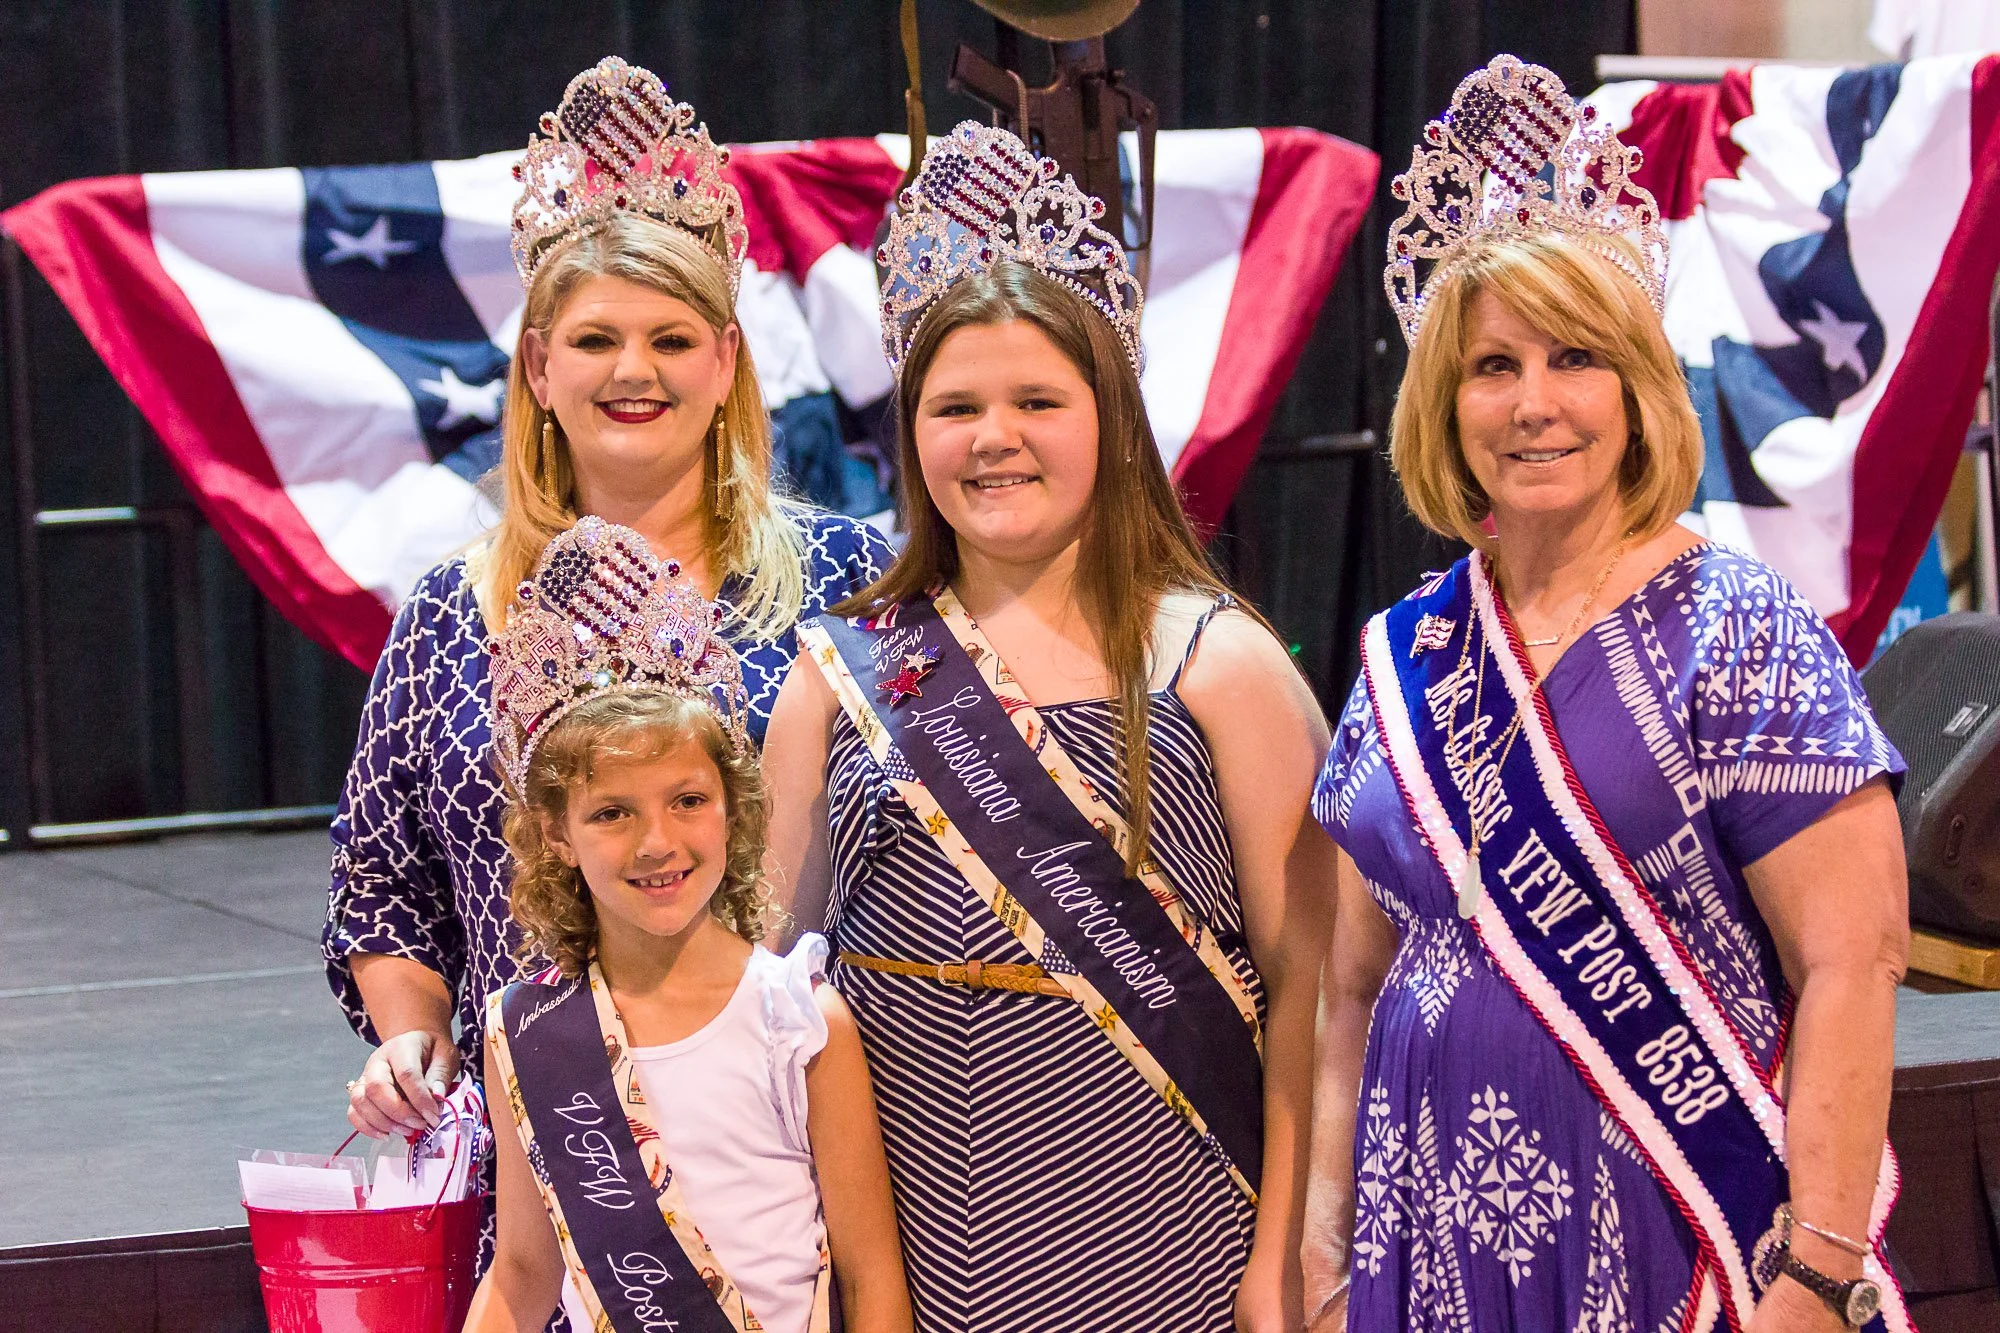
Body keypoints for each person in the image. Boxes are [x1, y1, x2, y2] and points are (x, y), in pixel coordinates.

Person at [1303, 56, 1913, 1333]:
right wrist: (1321, 1248)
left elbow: (1853, 961)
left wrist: (1811, 1276)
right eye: (1489, 366)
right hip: (1427, 1253)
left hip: (1683, 1244)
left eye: (1573, 357)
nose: (1531, 403)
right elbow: (1352, 988)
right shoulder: (1402, 651)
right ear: (1440, 400)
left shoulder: (1738, 628)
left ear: (1636, 391)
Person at [762, 122, 1334, 1333]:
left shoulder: (1218, 664)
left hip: (1172, 1219)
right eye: (954, 405)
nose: (992, 437)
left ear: (1112, 419)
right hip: (901, 1241)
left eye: (1037, 399)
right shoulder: (834, 675)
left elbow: (1317, 991)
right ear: (911, 436)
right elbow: (759, 990)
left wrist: (1282, 1257)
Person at [324, 58, 893, 1155]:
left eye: (672, 339)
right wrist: (411, 1039)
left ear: (727, 361)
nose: (634, 370)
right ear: (538, 366)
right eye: (594, 340)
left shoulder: (845, 580)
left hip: (795, 1149)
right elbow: (382, 875)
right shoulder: (452, 610)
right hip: (548, 1160)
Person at [465, 516, 911, 1333]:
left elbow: (872, 1272)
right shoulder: (525, 1032)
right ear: (555, 833)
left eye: (689, 800)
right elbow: (525, 1269)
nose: (658, 842)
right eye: (611, 812)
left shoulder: (799, 1017)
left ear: (732, 808)